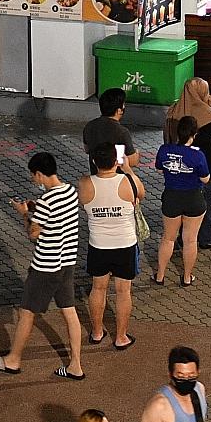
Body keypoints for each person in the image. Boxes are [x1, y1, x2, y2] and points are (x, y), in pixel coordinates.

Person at [0, 152, 86, 378]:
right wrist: (36, 208)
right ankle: (75, 364)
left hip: (46, 266)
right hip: (67, 262)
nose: (33, 180)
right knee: (70, 312)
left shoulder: (47, 202)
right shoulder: (69, 192)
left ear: (39, 173)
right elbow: (56, 217)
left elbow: (34, 234)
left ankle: (13, 360)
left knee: (26, 312)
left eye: (33, 176)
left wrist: (25, 214)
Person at [79, 145, 140, 350]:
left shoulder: (85, 184)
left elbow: (82, 203)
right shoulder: (127, 182)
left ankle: (97, 332)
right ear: (117, 161)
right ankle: (121, 336)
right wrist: (129, 169)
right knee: (123, 291)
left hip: (98, 244)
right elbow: (141, 194)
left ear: (94, 161)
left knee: (98, 288)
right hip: (125, 244)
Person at [153, 116, 210, 286]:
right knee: (190, 240)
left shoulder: (164, 149)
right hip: (194, 199)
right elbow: (206, 179)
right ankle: (186, 276)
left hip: (171, 198)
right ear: (195, 133)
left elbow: (158, 168)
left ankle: (160, 275)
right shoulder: (198, 155)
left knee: (168, 238)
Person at [166, 78, 211, 249]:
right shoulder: (205, 112)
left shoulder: (174, 110)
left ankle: (183, 238)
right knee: (205, 203)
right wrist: (210, 105)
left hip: (181, 168)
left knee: (185, 204)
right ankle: (206, 237)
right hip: (207, 168)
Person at [83, 87, 139, 172]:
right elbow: (132, 161)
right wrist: (137, 154)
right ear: (119, 110)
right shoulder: (122, 132)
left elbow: (87, 150)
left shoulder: (89, 126)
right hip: (117, 179)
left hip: (96, 177)